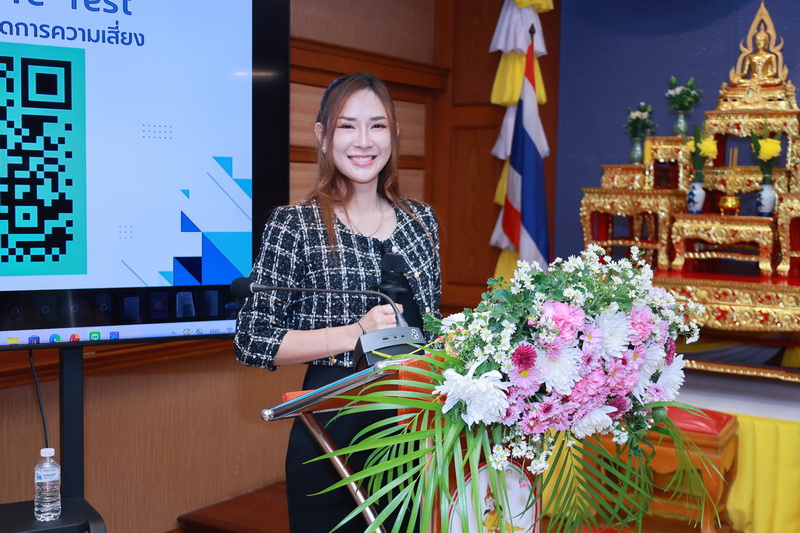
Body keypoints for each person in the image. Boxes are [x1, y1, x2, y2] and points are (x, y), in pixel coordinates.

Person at [234, 73, 441, 533]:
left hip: (418, 436)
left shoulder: (421, 221)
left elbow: (432, 326)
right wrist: (355, 333)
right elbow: (253, 341)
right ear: (323, 136)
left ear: (394, 134)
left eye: (377, 125)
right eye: (347, 126)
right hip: (332, 434)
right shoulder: (295, 225)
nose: (364, 141)